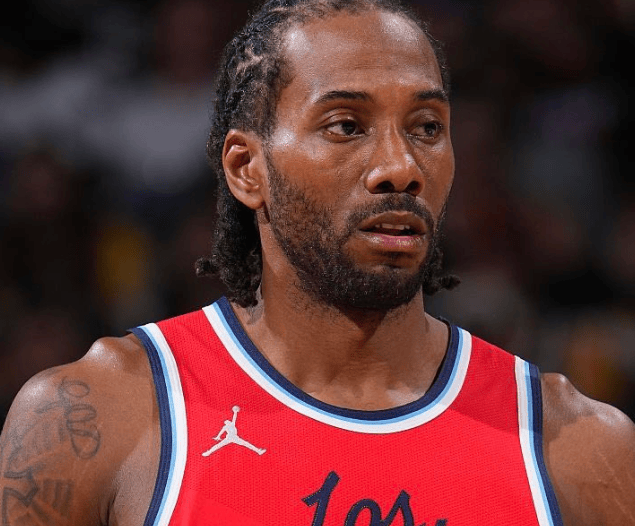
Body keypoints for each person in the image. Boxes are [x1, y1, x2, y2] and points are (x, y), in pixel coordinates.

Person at [1, 0, 634, 524]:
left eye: (426, 127)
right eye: (345, 126)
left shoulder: (580, 446)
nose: (401, 167)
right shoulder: (95, 418)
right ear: (247, 169)